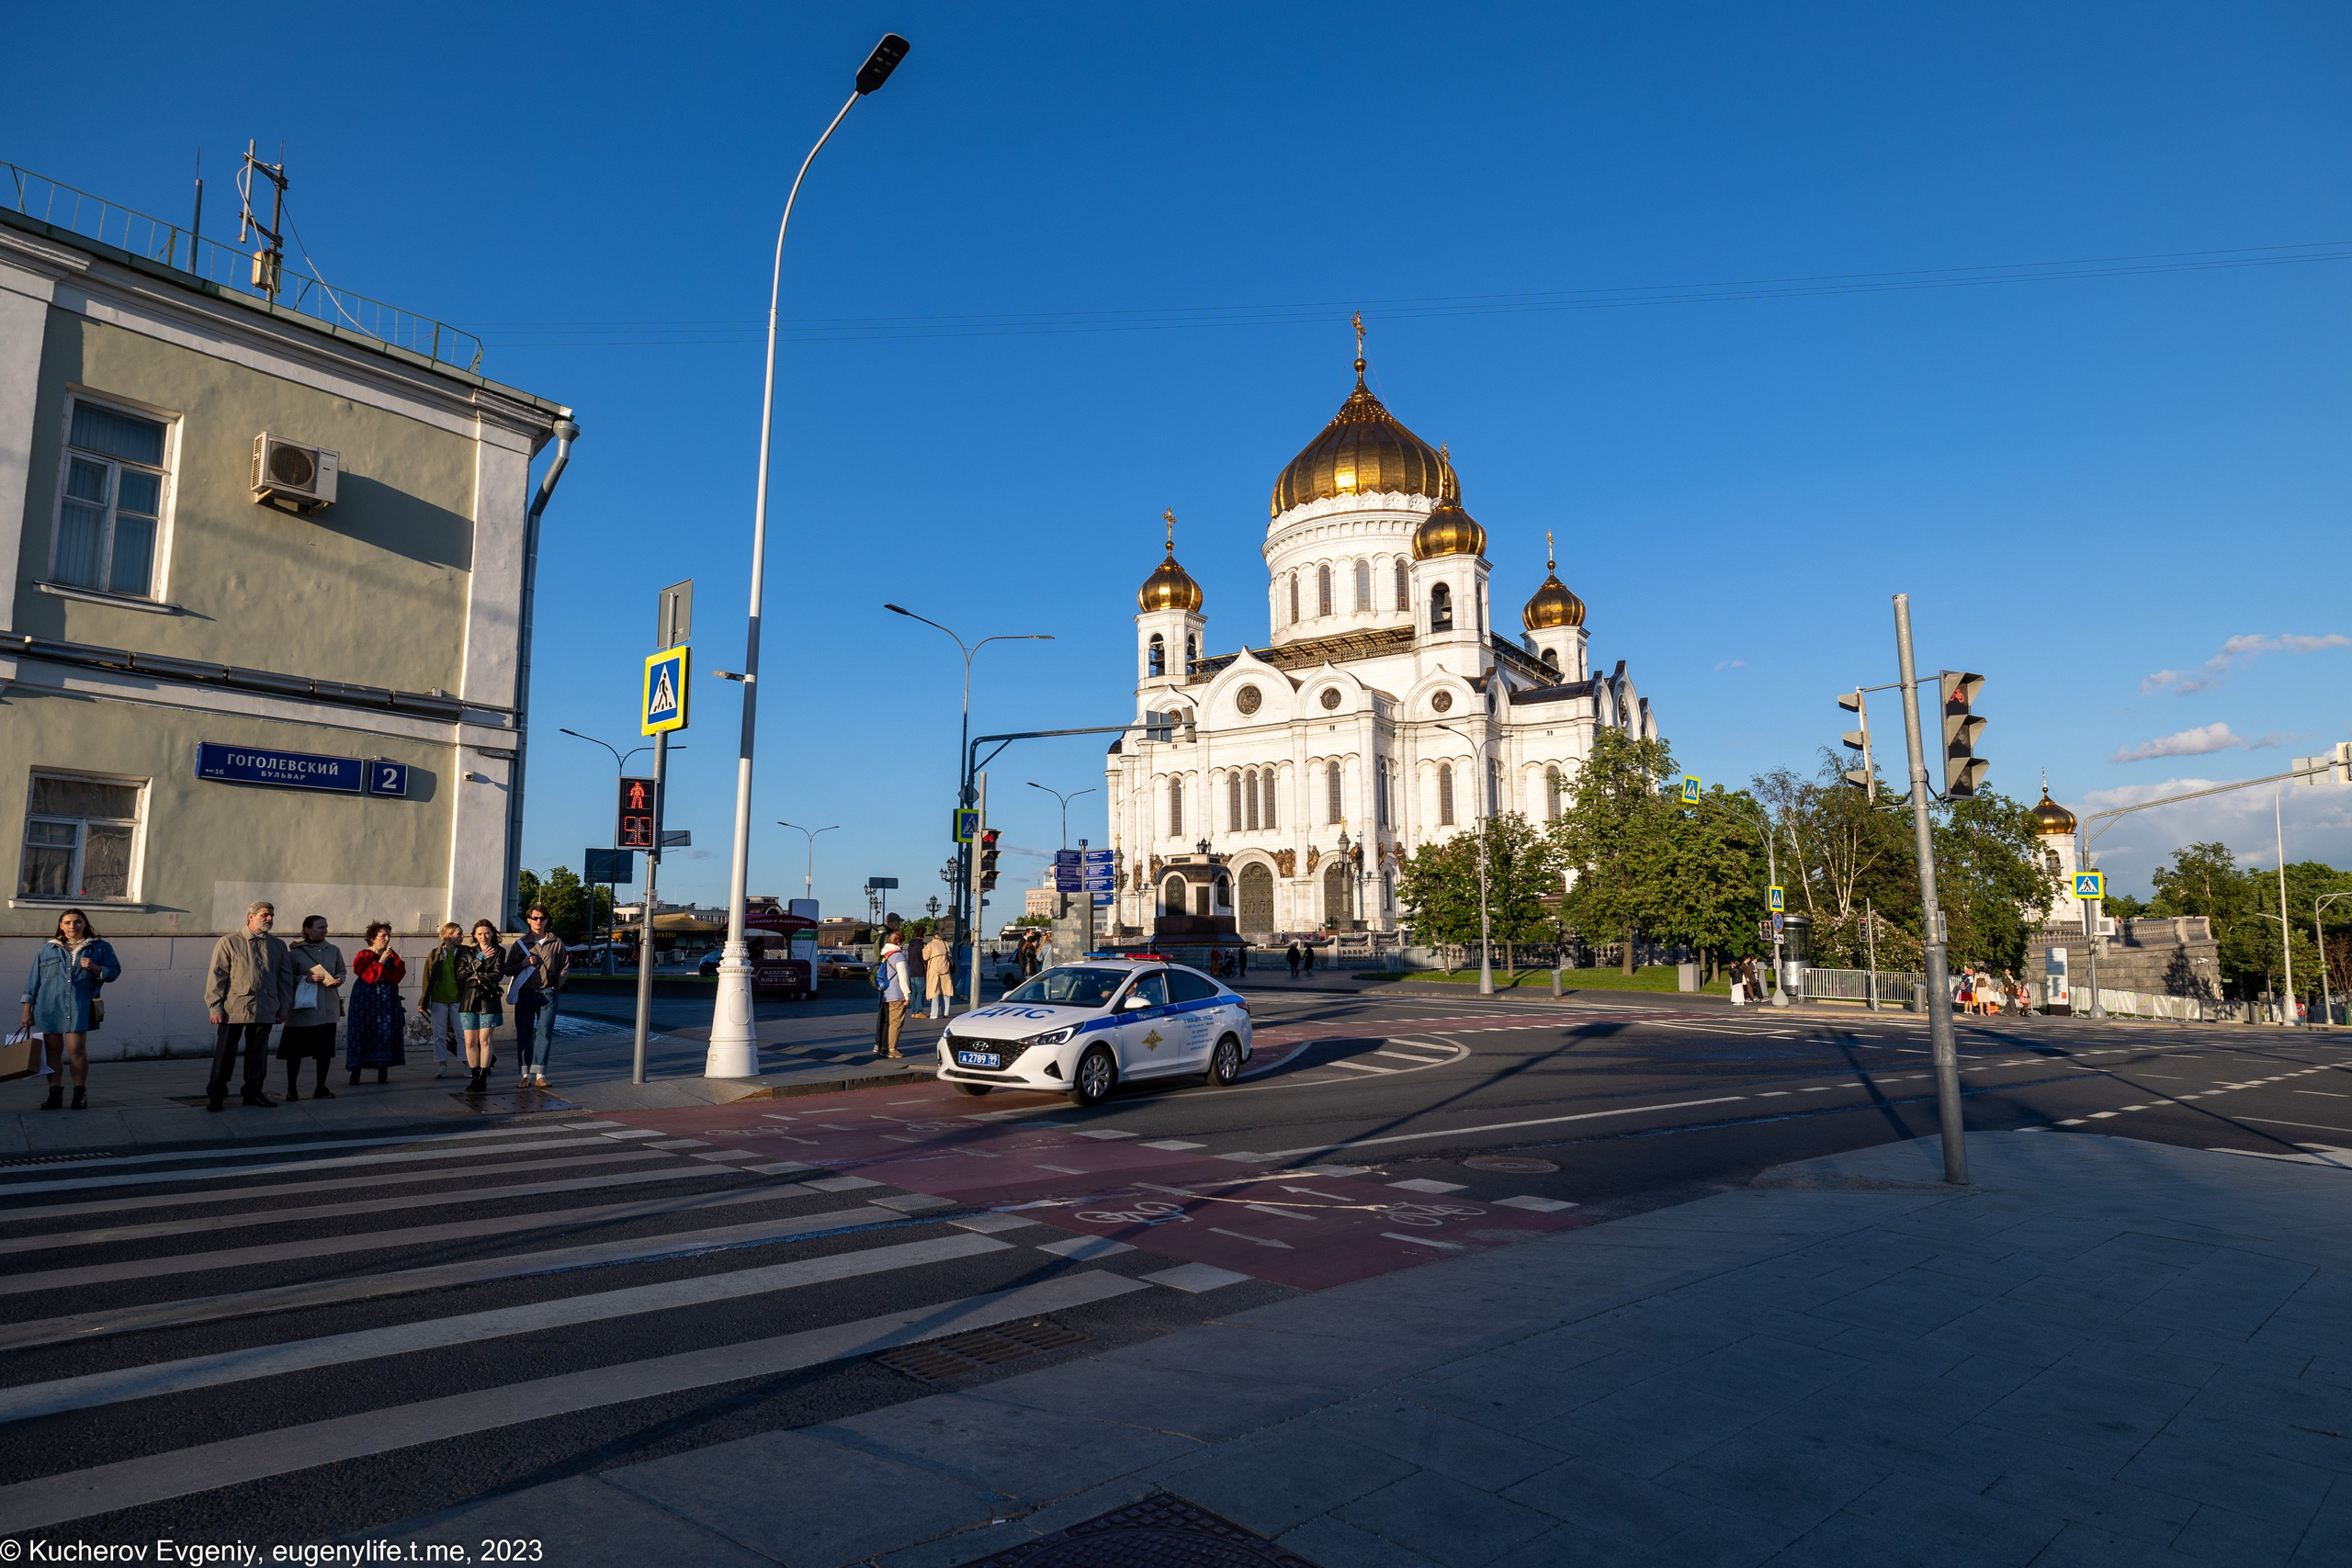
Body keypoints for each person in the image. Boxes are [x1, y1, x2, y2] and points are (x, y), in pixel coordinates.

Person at [19, 908, 119, 1111]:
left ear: (84, 923)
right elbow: (33, 982)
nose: (72, 926)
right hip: (49, 1006)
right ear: (60, 925)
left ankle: (80, 1093)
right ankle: (54, 1094)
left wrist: (96, 968)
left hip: (79, 1005)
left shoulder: (99, 948)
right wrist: (26, 1010)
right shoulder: (47, 949)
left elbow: (114, 971)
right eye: (67, 922)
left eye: (77, 922)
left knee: (76, 1049)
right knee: (53, 1050)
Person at [205, 900, 296, 1111]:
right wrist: (215, 1007)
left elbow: (285, 978)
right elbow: (217, 976)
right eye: (265, 915)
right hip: (234, 1007)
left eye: (271, 915)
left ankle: (253, 1092)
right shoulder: (230, 942)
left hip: (265, 1006)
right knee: (225, 1054)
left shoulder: (277, 945)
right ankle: (217, 1095)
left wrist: (283, 1008)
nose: (270, 919)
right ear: (251, 916)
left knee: (258, 1055)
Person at [502, 905, 570, 1089]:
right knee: (524, 1034)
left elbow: (564, 966)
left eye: (542, 918)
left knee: (544, 1033)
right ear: (529, 920)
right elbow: (507, 969)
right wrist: (523, 963)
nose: (538, 921)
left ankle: (540, 1074)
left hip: (548, 994)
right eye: (534, 918)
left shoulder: (555, 942)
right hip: (525, 994)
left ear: (546, 920)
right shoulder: (520, 944)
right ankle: (525, 1075)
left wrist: (557, 984)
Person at [277, 916, 345, 1101]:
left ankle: (321, 1087)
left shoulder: (334, 950)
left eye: (326, 927)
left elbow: (342, 971)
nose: (325, 930)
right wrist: (305, 979)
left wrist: (339, 979)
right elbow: (285, 978)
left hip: (327, 1010)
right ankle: (292, 1089)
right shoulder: (295, 954)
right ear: (307, 929)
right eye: (320, 927)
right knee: (295, 1054)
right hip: (302, 1011)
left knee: (324, 1053)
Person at [345, 922, 408, 1083]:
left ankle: (383, 1070)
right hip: (365, 998)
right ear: (372, 938)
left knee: (385, 1031)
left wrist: (383, 974)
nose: (387, 939)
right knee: (362, 1031)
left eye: (388, 935)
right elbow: (367, 975)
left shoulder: (392, 955)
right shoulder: (363, 955)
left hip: (387, 999)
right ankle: (356, 1071)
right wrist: (380, 963)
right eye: (383, 936)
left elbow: (399, 972)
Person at [454, 919, 507, 1094]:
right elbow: (461, 974)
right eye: (479, 934)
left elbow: (497, 975)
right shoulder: (468, 952)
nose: (483, 937)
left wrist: (475, 974)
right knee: (470, 1041)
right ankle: (475, 1075)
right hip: (469, 998)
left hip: (488, 998)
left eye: (486, 933)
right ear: (474, 936)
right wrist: (478, 961)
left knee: (485, 1040)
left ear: (492, 933)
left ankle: (483, 1078)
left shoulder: (499, 951)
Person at [418, 923, 466, 1076]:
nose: (462, 937)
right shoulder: (435, 954)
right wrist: (423, 1001)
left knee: (461, 1033)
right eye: (459, 934)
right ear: (449, 935)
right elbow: (427, 978)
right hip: (438, 999)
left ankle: (467, 1064)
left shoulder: (464, 952)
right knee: (439, 1033)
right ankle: (442, 1066)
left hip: (458, 998)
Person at [873, 929, 911, 1060]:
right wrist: (907, 994)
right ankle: (892, 1049)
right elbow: (903, 977)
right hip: (896, 994)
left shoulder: (884, 955)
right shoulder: (899, 956)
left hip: (884, 993)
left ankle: (883, 1048)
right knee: (896, 1022)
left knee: (887, 1022)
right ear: (899, 943)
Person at [922, 928, 952, 1020]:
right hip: (945, 969)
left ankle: (934, 1014)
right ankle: (946, 1012)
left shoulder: (930, 945)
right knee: (946, 991)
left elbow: (925, 957)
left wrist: (924, 950)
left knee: (935, 991)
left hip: (934, 970)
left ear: (933, 937)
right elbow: (949, 955)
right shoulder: (945, 944)